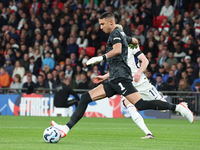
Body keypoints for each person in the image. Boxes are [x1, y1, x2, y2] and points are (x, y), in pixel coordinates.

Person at [51, 12, 194, 140]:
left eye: (102, 24)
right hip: (113, 78)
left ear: (111, 22)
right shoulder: (120, 35)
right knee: (85, 98)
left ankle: (179, 107)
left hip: (121, 78)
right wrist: (105, 76)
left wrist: (100, 58)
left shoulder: (115, 34)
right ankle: (66, 128)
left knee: (140, 104)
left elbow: (118, 50)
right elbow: (134, 41)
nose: (100, 27)